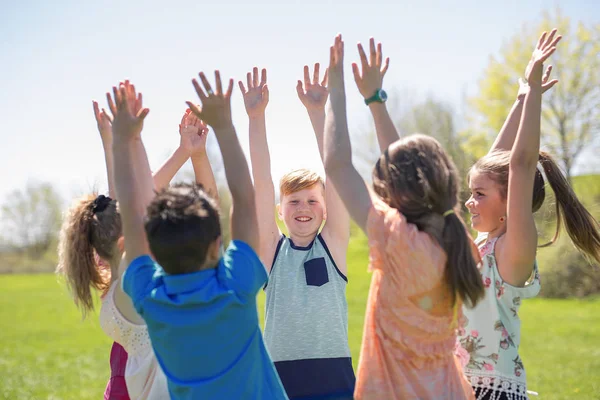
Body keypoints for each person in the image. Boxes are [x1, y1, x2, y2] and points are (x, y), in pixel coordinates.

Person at [323, 34, 484, 400]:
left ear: (399, 192)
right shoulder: (456, 239)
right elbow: (403, 169)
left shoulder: (398, 239)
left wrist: (337, 88)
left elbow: (336, 163)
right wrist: (376, 100)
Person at [111, 76, 287, 399]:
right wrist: (223, 125)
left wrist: (122, 140)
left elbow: (131, 215)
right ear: (216, 244)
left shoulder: (150, 297)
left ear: (156, 253)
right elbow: (245, 199)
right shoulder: (234, 286)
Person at [459, 29, 600, 400]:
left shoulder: (512, 252)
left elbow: (519, 166)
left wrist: (535, 91)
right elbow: (498, 162)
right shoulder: (482, 241)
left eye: (477, 194)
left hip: (491, 392)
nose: (469, 201)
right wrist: (521, 97)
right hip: (456, 385)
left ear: (511, 205)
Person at [58, 98, 213, 399]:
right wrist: (131, 141)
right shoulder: (141, 272)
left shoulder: (116, 286)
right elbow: (132, 199)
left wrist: (114, 143)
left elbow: (126, 200)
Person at [242, 66, 355, 399]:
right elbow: (262, 184)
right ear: (280, 211)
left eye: (311, 200)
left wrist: (318, 114)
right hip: (280, 378)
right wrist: (255, 118)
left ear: (325, 208)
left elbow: (335, 173)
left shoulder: (333, 245)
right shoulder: (272, 250)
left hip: (335, 378)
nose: (303, 207)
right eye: (293, 201)